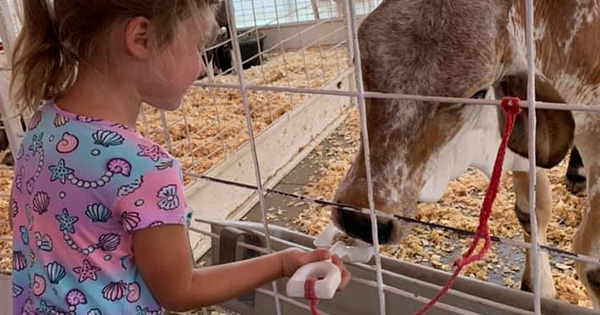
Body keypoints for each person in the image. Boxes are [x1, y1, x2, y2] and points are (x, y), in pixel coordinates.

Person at [9, 1, 351, 314]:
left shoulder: (45, 124)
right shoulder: (145, 169)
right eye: (197, 46)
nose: (202, 67)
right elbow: (179, 290)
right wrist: (282, 263)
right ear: (141, 38)